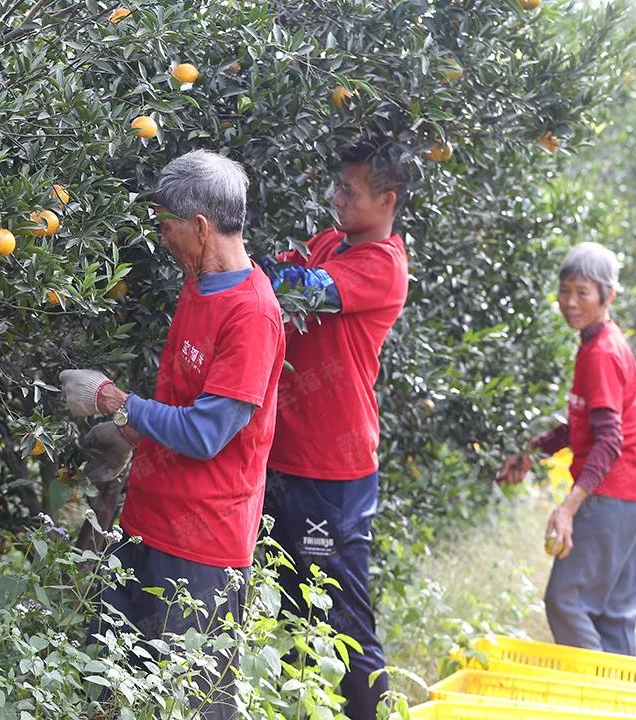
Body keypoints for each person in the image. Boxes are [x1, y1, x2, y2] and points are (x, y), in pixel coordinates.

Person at [59, 149, 285, 719]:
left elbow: (208, 433)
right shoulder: (198, 286)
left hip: (202, 545)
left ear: (201, 226)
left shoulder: (251, 315)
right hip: (145, 526)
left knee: (190, 703)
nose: (161, 237)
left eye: (166, 225)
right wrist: (132, 433)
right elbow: (181, 400)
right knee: (109, 690)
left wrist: (118, 403)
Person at [257, 141, 410, 718]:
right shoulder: (331, 243)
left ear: (387, 200)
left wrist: (264, 270)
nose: (336, 198)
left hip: (333, 470)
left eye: (350, 191)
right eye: (338, 187)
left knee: (343, 619)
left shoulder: (381, 265)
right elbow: (271, 270)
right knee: (289, 608)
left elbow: (290, 288)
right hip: (285, 455)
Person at [499, 241, 636, 655]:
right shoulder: (599, 342)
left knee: (567, 602)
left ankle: (601, 706)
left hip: (612, 495)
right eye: (564, 290)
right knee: (613, 614)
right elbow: (584, 423)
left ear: (608, 295)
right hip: (635, 494)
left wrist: (568, 507)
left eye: (582, 292)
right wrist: (533, 451)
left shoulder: (600, 353)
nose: (569, 302)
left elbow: (609, 440)